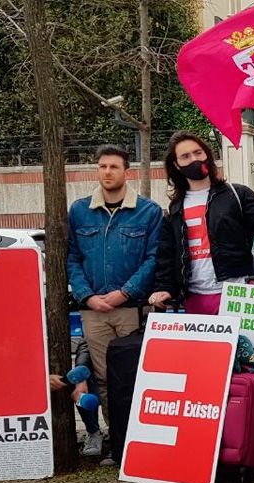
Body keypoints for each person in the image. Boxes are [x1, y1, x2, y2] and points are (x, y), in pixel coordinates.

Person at [67, 145, 163, 464]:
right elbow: (73, 258)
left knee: (135, 376)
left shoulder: (148, 212)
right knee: (105, 378)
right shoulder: (79, 211)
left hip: (130, 308)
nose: (107, 172)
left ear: (127, 172)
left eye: (114, 167)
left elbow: (152, 259)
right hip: (93, 310)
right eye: (102, 166)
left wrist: (125, 292)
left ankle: (142, 438)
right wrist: (88, 296)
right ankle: (119, 441)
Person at [149, 132, 254, 314]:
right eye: (185, 156)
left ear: (208, 155)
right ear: (176, 165)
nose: (194, 159)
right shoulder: (175, 209)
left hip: (237, 295)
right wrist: (163, 287)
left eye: (198, 152)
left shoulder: (237, 194)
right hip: (194, 300)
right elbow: (167, 255)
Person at [49, 339, 103, 459]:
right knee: (80, 387)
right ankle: (94, 432)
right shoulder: (94, 327)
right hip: (100, 375)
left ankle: (121, 437)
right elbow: (85, 346)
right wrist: (81, 380)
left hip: (127, 375)